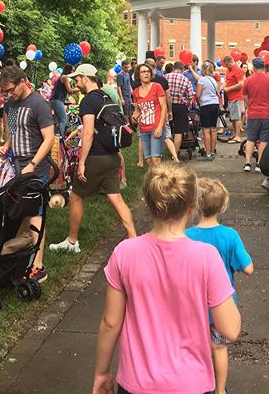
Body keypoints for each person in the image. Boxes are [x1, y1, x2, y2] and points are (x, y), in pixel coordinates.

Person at [92, 162, 241, 394]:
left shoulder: (125, 252)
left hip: (136, 384)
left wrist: (102, 372)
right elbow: (230, 329)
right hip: (191, 384)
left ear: (148, 203)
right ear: (192, 207)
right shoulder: (207, 258)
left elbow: (111, 323)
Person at [50, 64, 136, 254]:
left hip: (95, 158)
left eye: (77, 79)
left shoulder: (88, 101)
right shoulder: (108, 96)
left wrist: (81, 162)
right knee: (116, 198)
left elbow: (87, 133)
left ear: (85, 78)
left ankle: (72, 242)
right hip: (112, 156)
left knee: (76, 196)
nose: (75, 82)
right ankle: (134, 239)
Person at [186, 177, 253, 394]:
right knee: (220, 348)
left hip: (193, 305)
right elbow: (248, 268)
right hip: (221, 307)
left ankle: (194, 386)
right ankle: (220, 390)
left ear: (194, 205)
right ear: (223, 206)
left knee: (195, 349)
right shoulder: (230, 236)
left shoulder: (187, 236)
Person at [0, 65, 55, 282]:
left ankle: (38, 265)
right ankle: (20, 250)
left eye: (11, 89)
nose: (8, 94)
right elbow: (14, 130)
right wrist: (7, 145)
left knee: (36, 212)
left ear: (22, 82)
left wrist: (33, 163)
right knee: (18, 209)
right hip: (17, 164)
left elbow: (49, 139)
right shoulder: (10, 105)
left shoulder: (38, 104)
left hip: (36, 166)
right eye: (5, 91)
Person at [242, 57, 269, 172]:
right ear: (264, 67)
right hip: (267, 114)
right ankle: (259, 164)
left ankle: (247, 163)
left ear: (253, 67)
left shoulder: (248, 80)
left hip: (253, 113)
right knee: (264, 140)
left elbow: (245, 97)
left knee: (250, 138)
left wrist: (251, 106)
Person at [132, 62, 167, 166]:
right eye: (143, 72)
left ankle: (161, 181)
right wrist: (134, 117)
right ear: (138, 75)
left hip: (156, 127)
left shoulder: (157, 87)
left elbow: (164, 107)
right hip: (143, 129)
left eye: (148, 71)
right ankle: (153, 181)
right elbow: (137, 110)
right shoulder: (136, 91)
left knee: (156, 159)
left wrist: (160, 127)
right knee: (149, 161)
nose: (146, 74)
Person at [165, 60, 194, 155]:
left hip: (166, 105)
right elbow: (190, 96)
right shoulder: (186, 80)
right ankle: (175, 154)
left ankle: (167, 151)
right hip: (180, 106)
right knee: (179, 131)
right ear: (182, 69)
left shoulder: (165, 77)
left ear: (173, 67)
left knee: (167, 129)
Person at [196, 60, 221, 161]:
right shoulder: (214, 80)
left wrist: (199, 102)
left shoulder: (202, 80)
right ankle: (212, 151)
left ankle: (208, 154)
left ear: (204, 70)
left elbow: (198, 95)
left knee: (206, 130)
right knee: (213, 130)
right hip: (215, 104)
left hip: (206, 105)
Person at [221, 55, 245, 144]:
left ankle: (238, 136)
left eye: (227, 65)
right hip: (230, 97)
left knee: (237, 117)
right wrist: (222, 87)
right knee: (233, 118)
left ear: (230, 62)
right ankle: (235, 134)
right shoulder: (228, 70)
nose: (227, 67)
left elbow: (241, 84)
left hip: (236, 97)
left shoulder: (237, 70)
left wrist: (228, 89)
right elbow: (226, 81)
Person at [50, 64, 77, 137]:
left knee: (56, 120)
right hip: (57, 100)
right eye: (73, 70)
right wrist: (80, 88)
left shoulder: (62, 77)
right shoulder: (64, 77)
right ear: (69, 70)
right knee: (64, 119)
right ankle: (61, 137)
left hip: (55, 100)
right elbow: (70, 90)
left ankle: (54, 136)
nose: (73, 72)